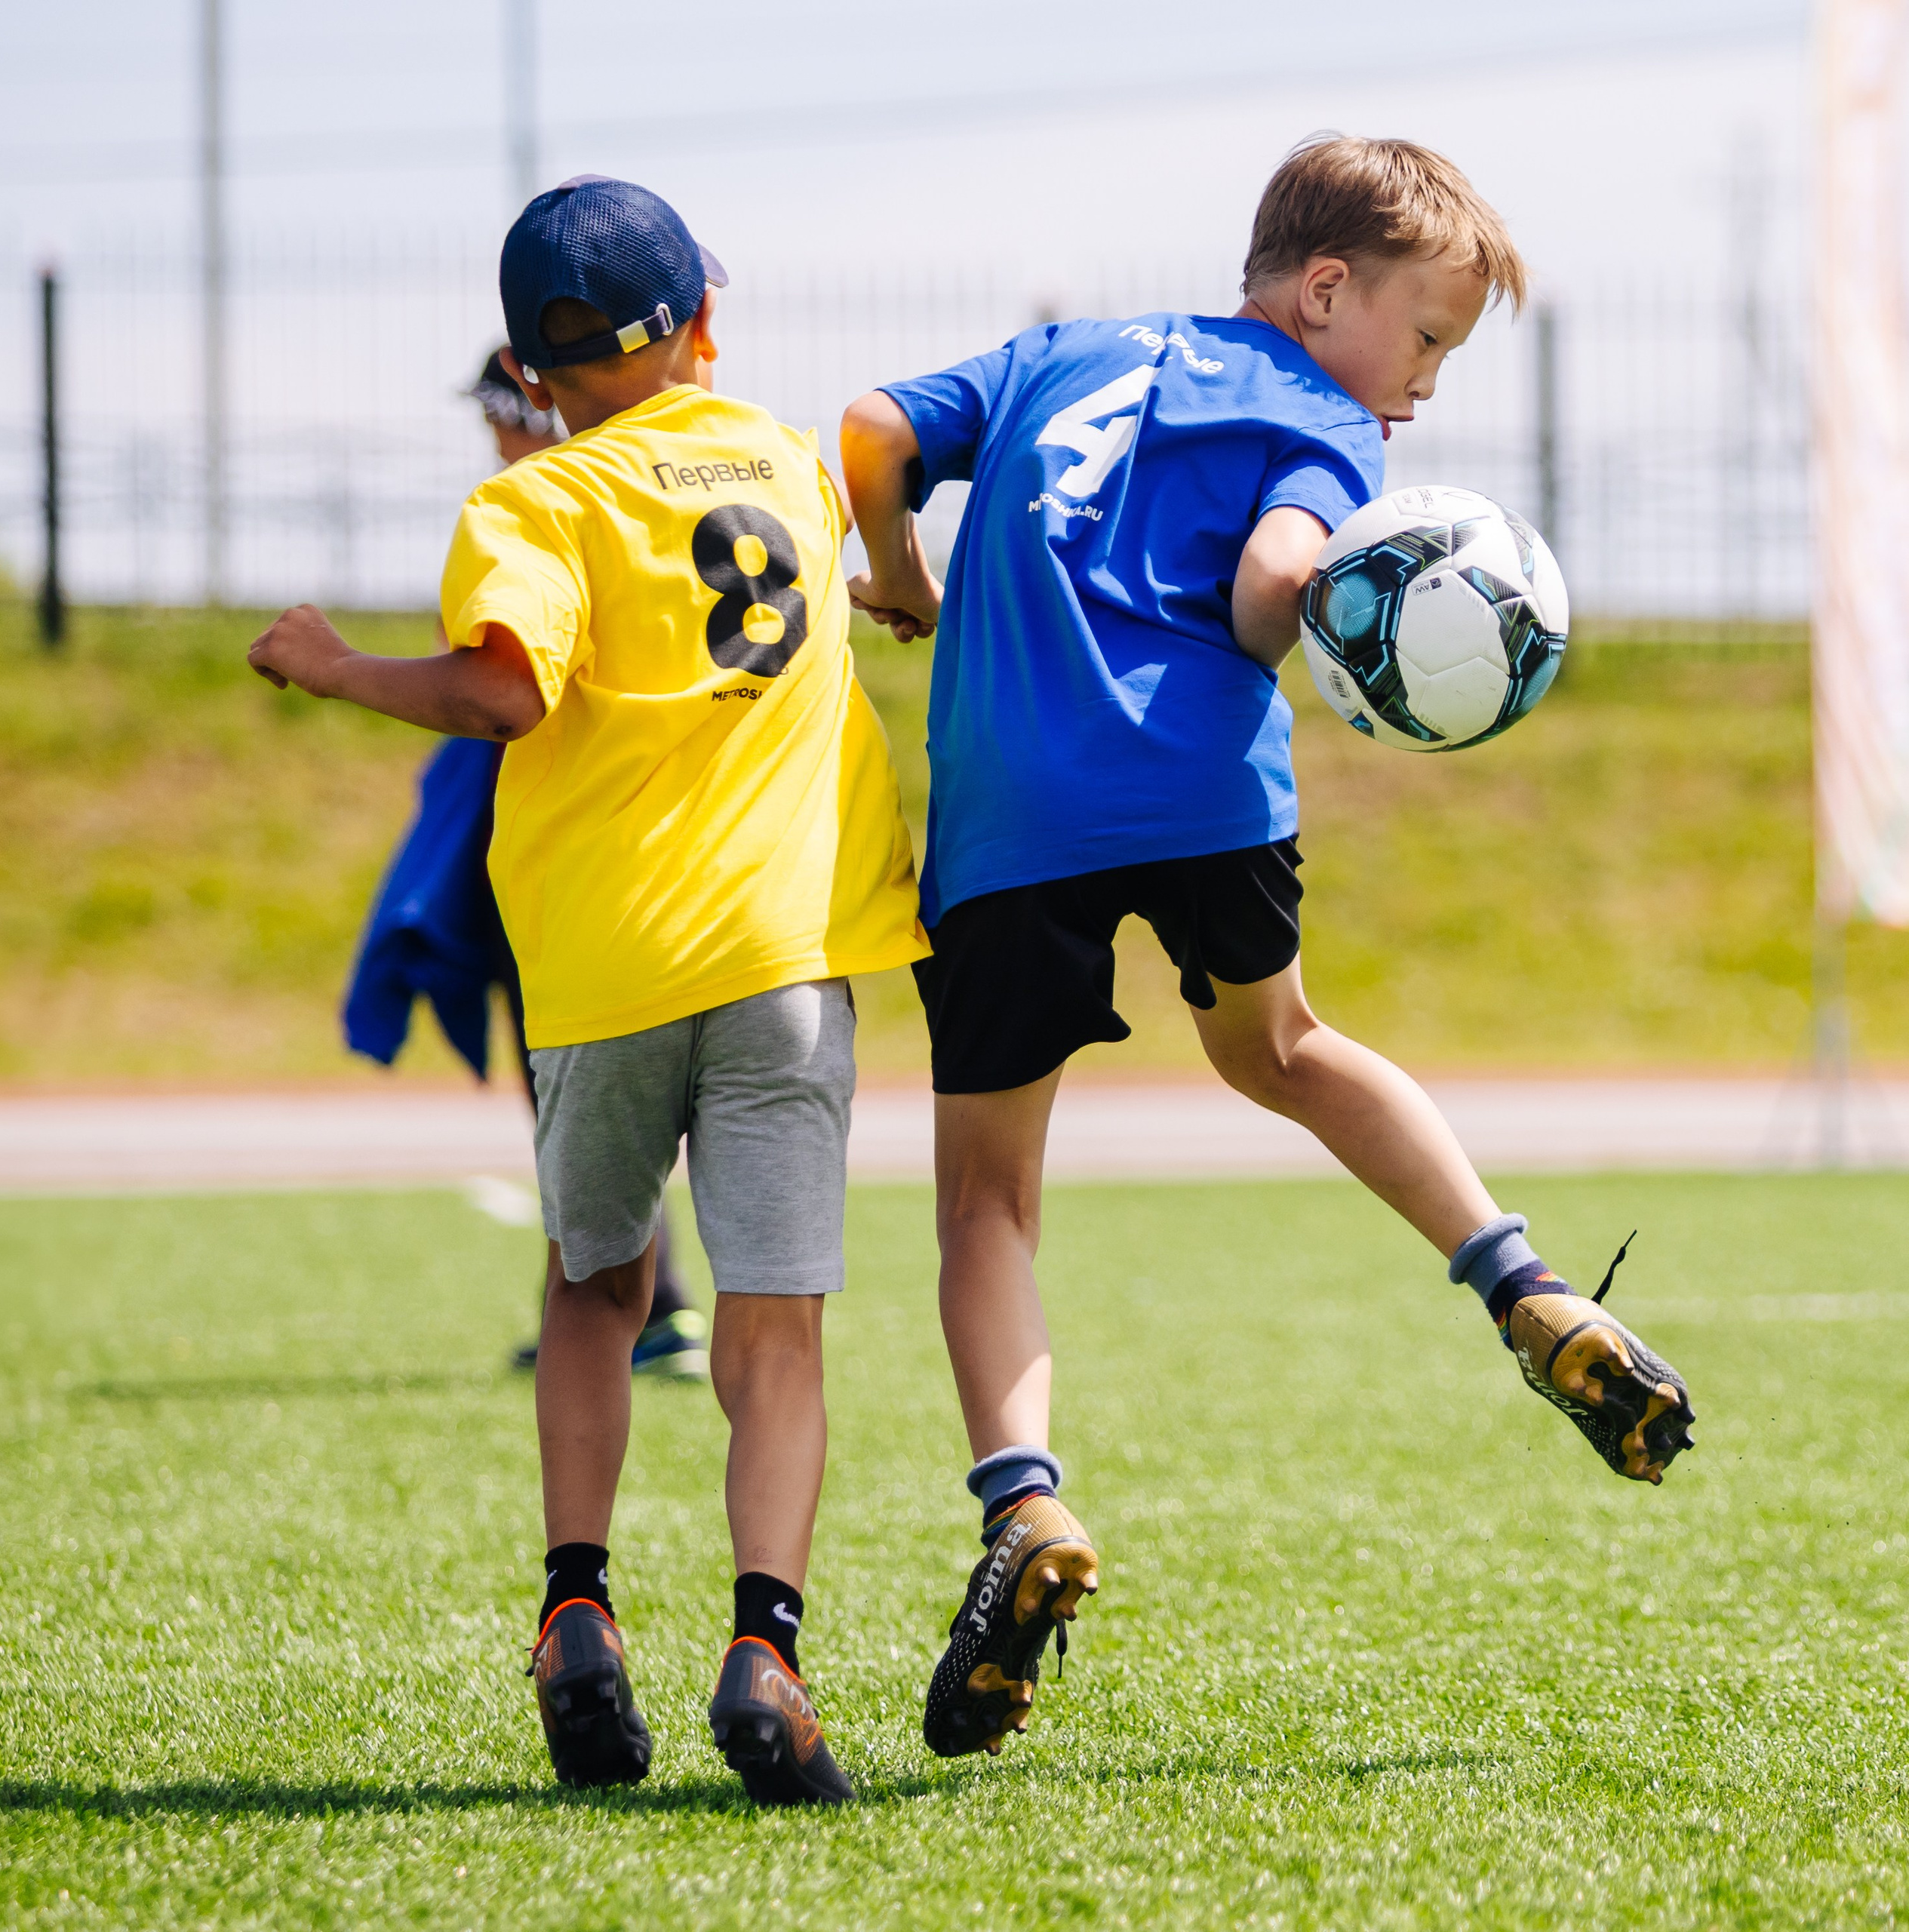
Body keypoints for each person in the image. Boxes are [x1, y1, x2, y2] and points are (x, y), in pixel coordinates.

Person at [841, 135, 1698, 1764]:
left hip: (1011, 812)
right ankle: (1519, 1286)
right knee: (1282, 1047)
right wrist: (1340, 622)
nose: (1425, 383)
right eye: (1426, 338)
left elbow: (871, 434)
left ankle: (1021, 1504)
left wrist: (904, 576)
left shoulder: (1051, 357)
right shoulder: (1315, 413)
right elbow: (1270, 583)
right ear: (1323, 292)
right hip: (1200, 783)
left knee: (986, 1198)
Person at [249, 176, 927, 1805]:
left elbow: (504, 686)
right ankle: (765, 1644)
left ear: (531, 376)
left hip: (602, 966)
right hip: (781, 959)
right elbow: (833, 572)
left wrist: (334, 665)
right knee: (773, 1323)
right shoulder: (780, 455)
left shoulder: (534, 501)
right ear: (702, 317)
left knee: (594, 1289)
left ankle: (575, 1609)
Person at [343, 350, 707, 1382]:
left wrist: (334, 669)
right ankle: (656, 1305)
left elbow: (485, 677)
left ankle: (639, 1309)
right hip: (671, 847)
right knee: (606, 1093)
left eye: (495, 419)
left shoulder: (540, 502)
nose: (491, 441)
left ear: (522, 409)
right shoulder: (652, 484)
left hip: (568, 853)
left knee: (582, 1093)